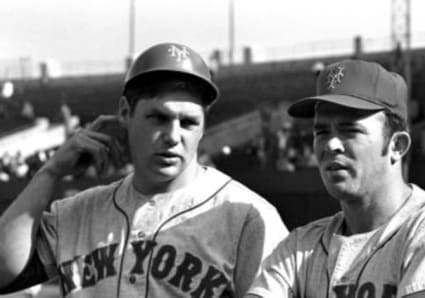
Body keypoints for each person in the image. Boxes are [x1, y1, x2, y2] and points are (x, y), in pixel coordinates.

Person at [0, 43, 288, 297]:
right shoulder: (77, 213)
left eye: (188, 122)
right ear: (126, 113)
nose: (173, 136)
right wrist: (49, 173)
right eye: (158, 118)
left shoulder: (248, 217)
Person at [246, 59, 425, 298]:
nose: (331, 144)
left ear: (397, 145)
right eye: (321, 132)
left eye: (350, 130)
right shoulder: (299, 247)